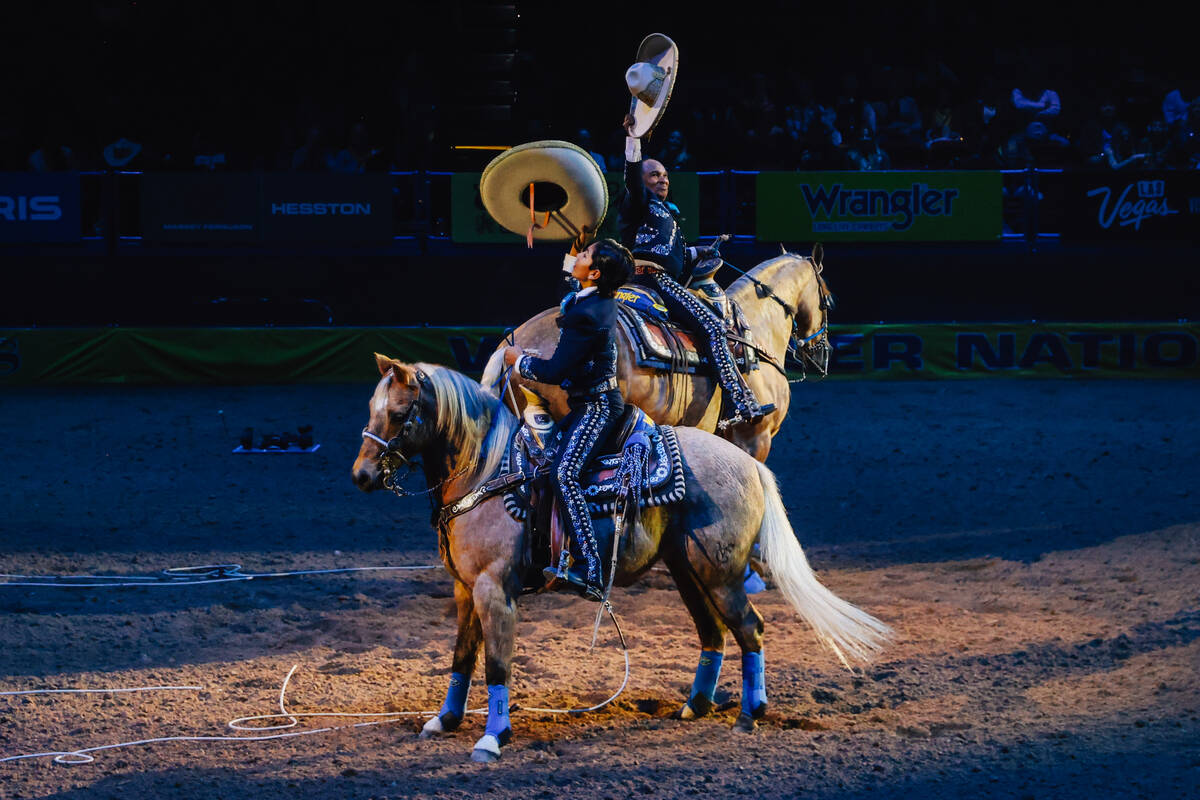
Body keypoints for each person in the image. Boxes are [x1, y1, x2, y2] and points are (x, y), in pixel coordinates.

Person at [618, 113, 770, 428]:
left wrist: (696, 252)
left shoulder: (664, 215)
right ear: (643, 181)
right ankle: (737, 402)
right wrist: (633, 140)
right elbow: (631, 177)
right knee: (714, 327)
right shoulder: (638, 202)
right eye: (655, 175)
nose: (663, 179)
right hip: (652, 280)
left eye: (665, 176)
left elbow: (673, 257)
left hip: (658, 277)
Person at [502, 238, 634, 601]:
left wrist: (519, 361)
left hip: (597, 408)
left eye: (585, 255)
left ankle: (591, 569)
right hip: (585, 405)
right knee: (542, 464)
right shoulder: (589, 300)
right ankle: (543, 554)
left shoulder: (588, 314)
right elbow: (570, 288)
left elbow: (557, 371)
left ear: (594, 273)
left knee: (564, 472)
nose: (578, 256)